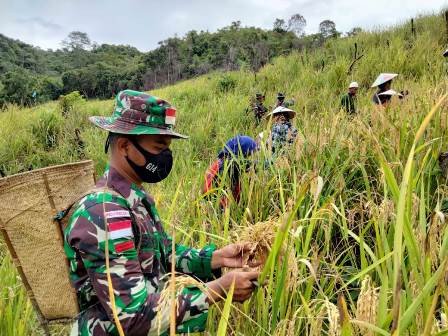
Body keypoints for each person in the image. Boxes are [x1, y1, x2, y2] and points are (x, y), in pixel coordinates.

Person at [64, 90, 260, 336]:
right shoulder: (104, 212)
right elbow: (132, 319)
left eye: (168, 147)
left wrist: (219, 258)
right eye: (159, 147)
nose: (165, 156)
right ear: (125, 146)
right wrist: (218, 289)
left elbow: (165, 254)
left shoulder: (135, 200)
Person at [203, 135, 258, 208]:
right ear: (241, 152)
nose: (250, 156)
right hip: (219, 207)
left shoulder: (222, 161)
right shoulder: (229, 166)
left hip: (212, 202)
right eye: (248, 154)